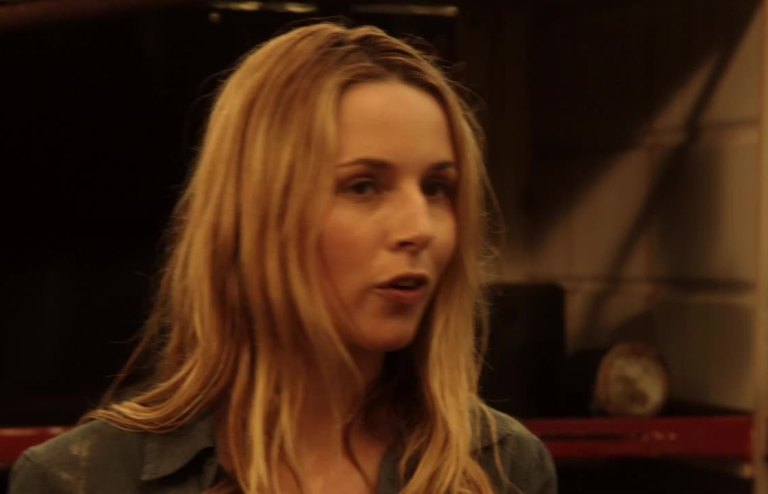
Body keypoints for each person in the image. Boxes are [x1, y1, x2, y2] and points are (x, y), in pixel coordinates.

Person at [9, 22, 556, 493]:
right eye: (364, 186)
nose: (419, 229)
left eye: (437, 188)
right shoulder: (84, 479)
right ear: (258, 213)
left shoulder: (501, 468)